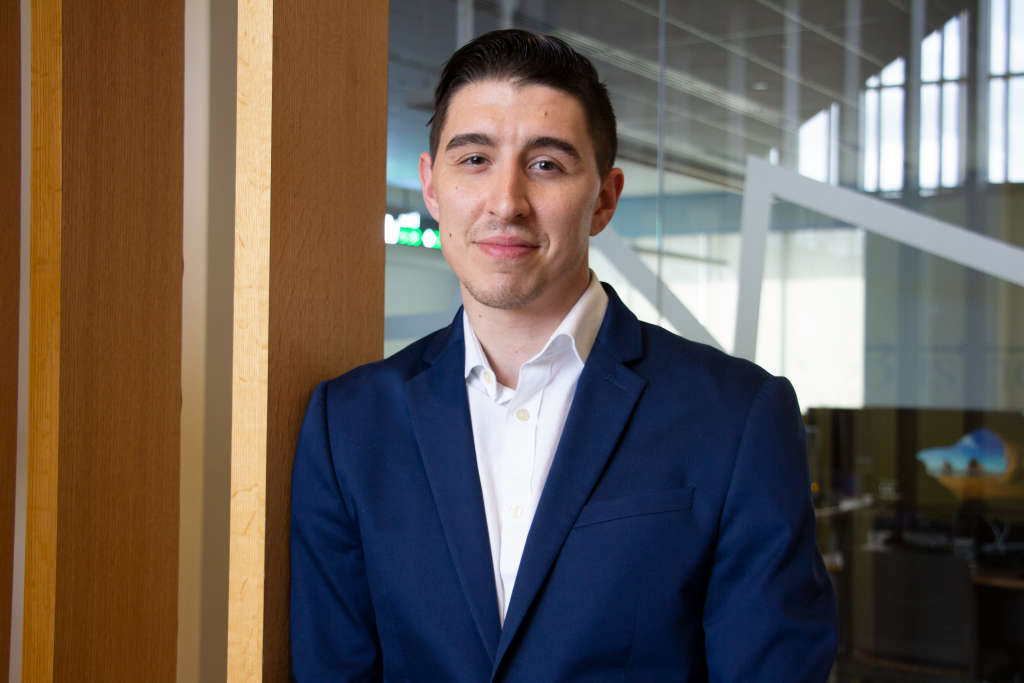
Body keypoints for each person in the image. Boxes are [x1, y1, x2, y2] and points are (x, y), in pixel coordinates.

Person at [290, 29, 837, 681]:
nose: (506, 202)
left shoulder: (740, 417)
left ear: (604, 199)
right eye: (474, 160)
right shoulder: (346, 424)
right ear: (432, 189)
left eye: (546, 164)